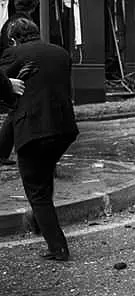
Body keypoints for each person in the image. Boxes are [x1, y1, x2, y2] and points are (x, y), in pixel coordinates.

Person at [0, 18, 79, 261]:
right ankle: (40, 220)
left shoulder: (12, 54)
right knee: (43, 176)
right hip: (64, 129)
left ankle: (58, 248)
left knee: (37, 191)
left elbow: (4, 87)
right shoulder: (61, 53)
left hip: (33, 131)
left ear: (14, 38)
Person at [0, 0, 38, 167]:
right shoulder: (26, 23)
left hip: (8, 72)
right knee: (19, 111)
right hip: (21, 72)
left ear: (15, 3)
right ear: (34, 5)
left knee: (15, 112)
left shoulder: (8, 22)